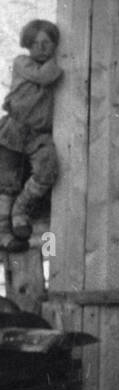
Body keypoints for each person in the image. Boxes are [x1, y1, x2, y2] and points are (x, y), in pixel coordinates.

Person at [0, 19, 61, 252]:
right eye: (36, 44)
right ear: (27, 45)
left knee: (47, 170)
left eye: (47, 43)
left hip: (38, 134)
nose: (42, 49)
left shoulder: (51, 66)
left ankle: (21, 210)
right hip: (13, 130)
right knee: (6, 183)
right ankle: (4, 234)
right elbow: (45, 76)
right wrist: (59, 60)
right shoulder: (22, 62)